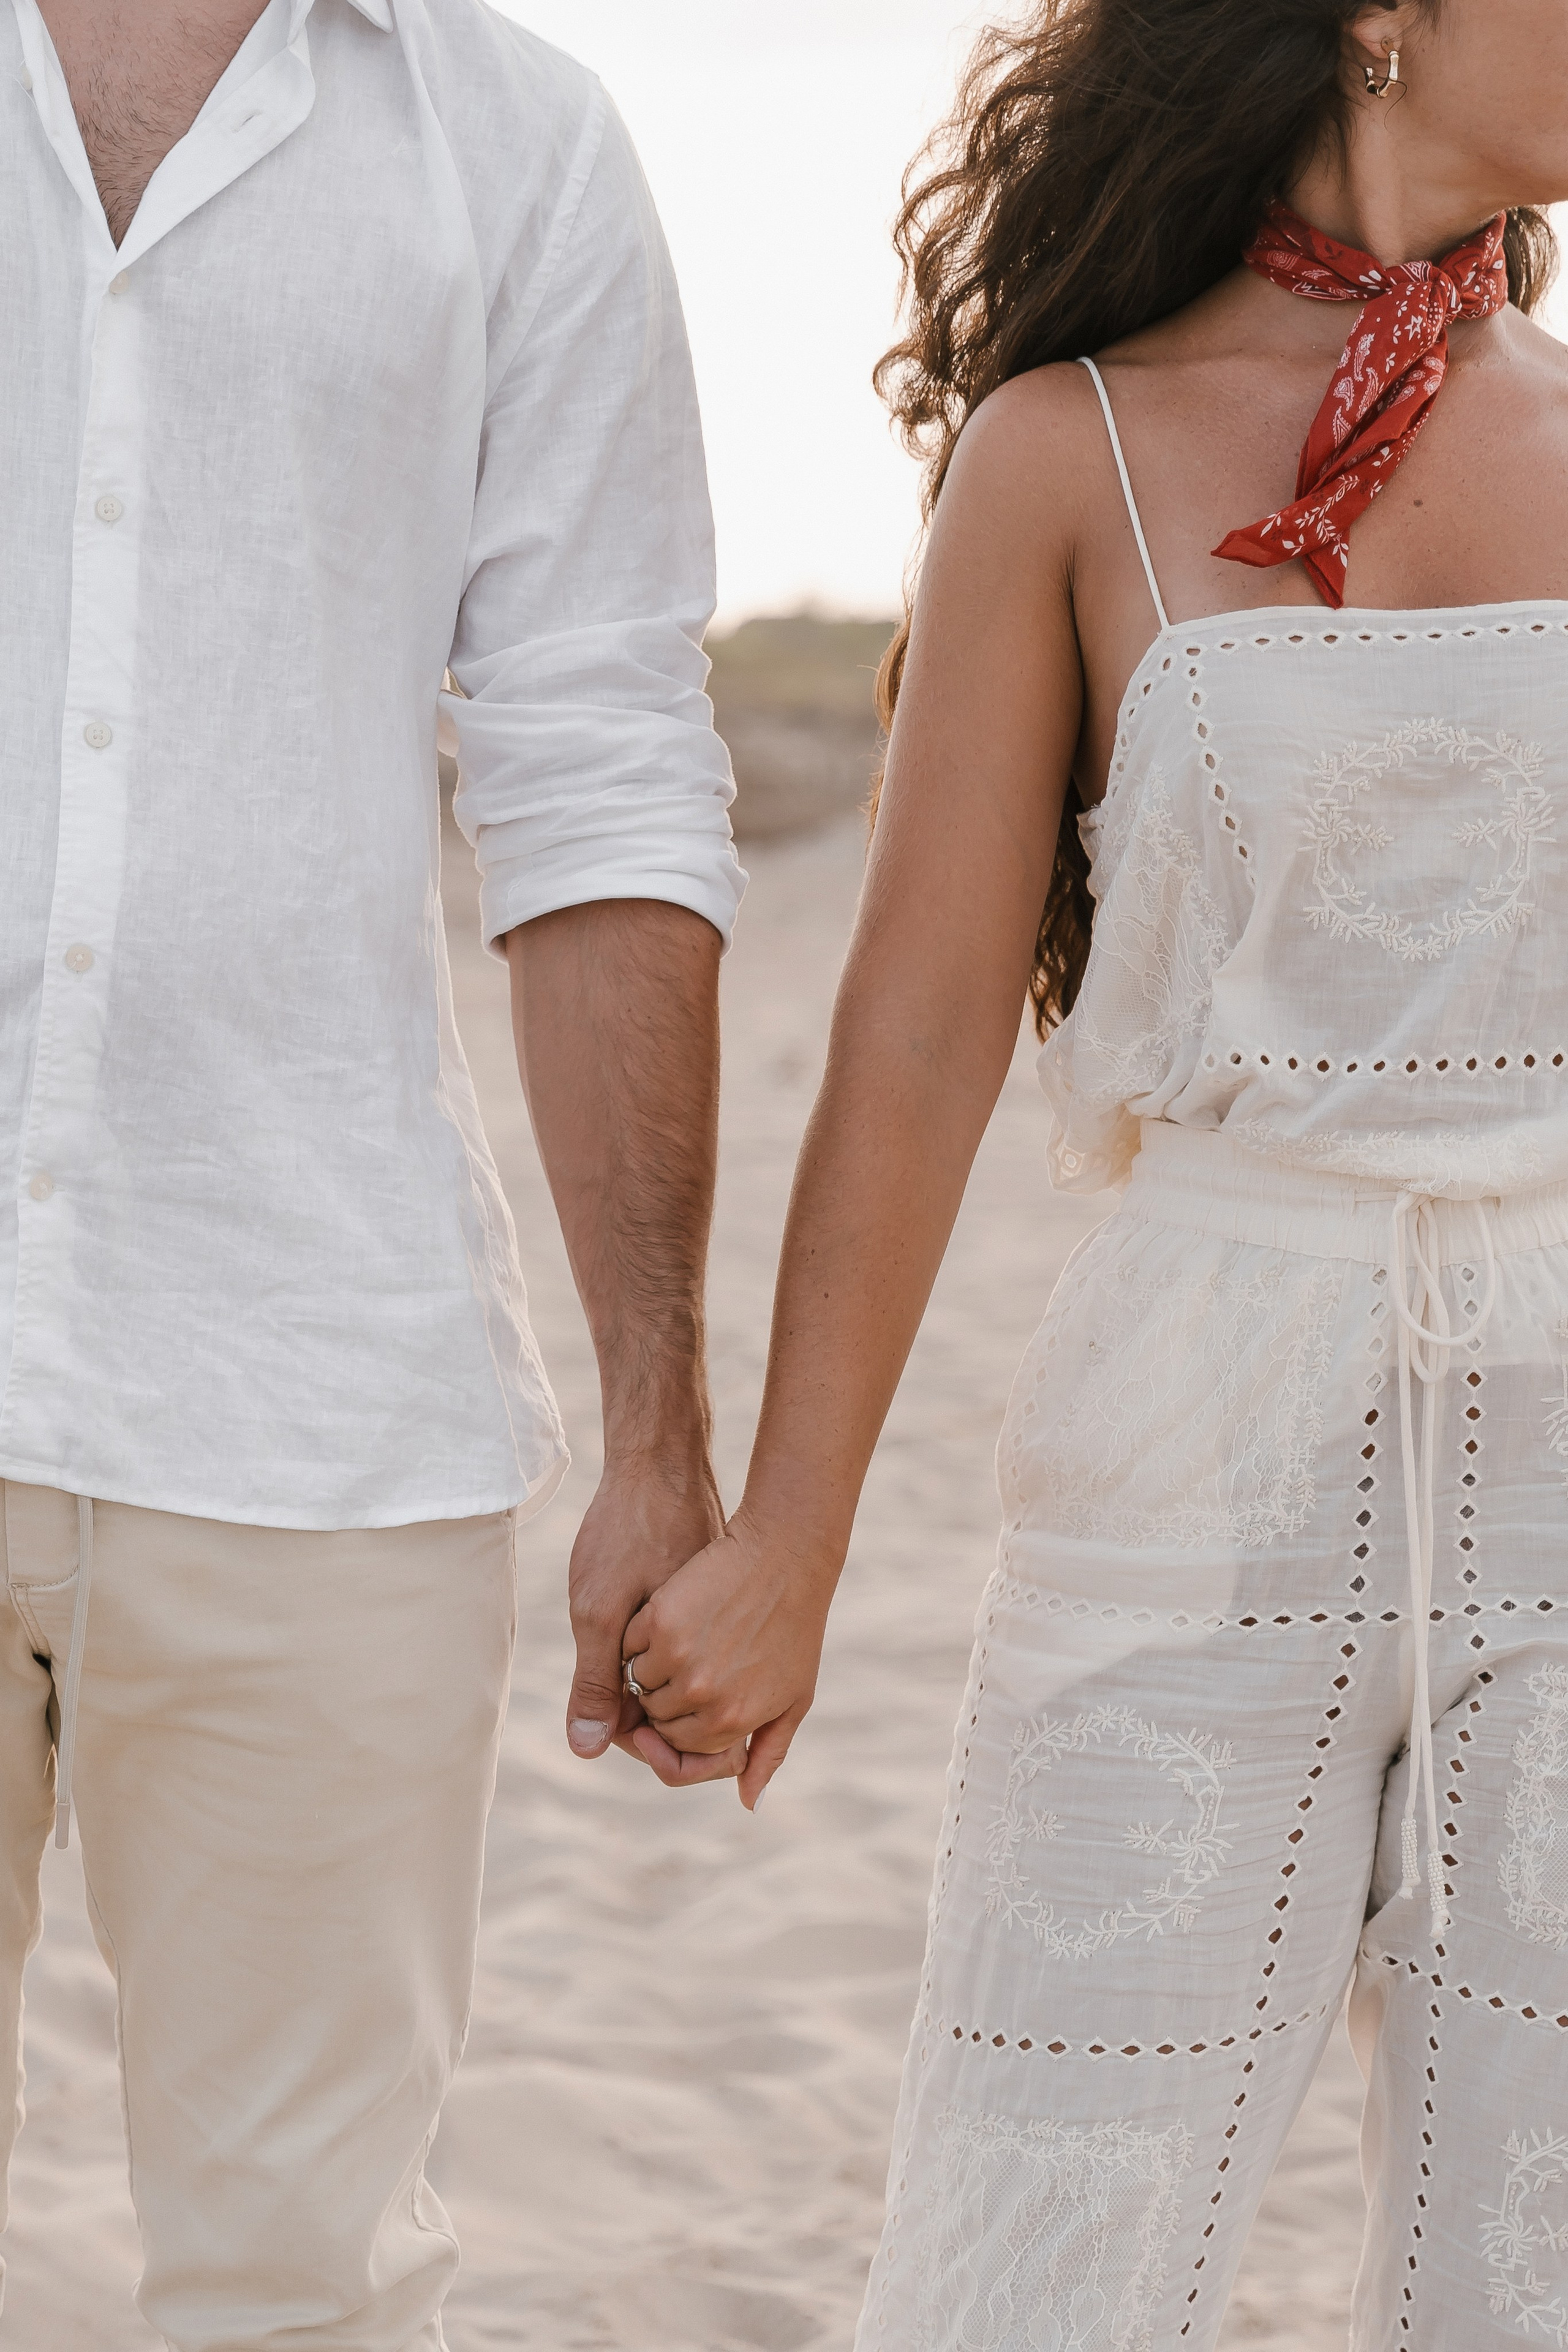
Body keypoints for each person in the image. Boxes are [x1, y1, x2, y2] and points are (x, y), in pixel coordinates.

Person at [618, 0, 1568, 2340]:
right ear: (1383, 20)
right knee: (1039, 2239)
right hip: (1197, 1426)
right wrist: (792, 1545)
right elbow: (925, 1029)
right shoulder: (1072, 454)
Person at [1, 0, 745, 2342]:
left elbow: (602, 768)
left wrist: (655, 1420)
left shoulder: (514, 147)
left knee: (302, 2286)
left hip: (311, 1388)